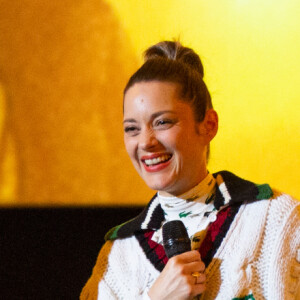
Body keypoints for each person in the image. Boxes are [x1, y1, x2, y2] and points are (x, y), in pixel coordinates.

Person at [81, 41, 300, 300]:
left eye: (162, 122)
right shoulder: (118, 257)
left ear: (208, 125)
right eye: (132, 128)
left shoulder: (277, 219)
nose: (145, 142)